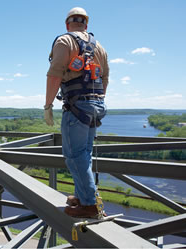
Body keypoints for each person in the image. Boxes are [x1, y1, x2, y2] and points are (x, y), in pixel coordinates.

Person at [44, 7, 109, 218]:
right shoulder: (99, 46)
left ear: (67, 24)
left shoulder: (64, 41)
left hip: (76, 106)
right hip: (96, 106)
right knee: (85, 154)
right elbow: (105, 78)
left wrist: (48, 106)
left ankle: (90, 204)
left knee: (73, 156)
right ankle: (82, 197)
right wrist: (95, 101)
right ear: (86, 25)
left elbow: (54, 75)